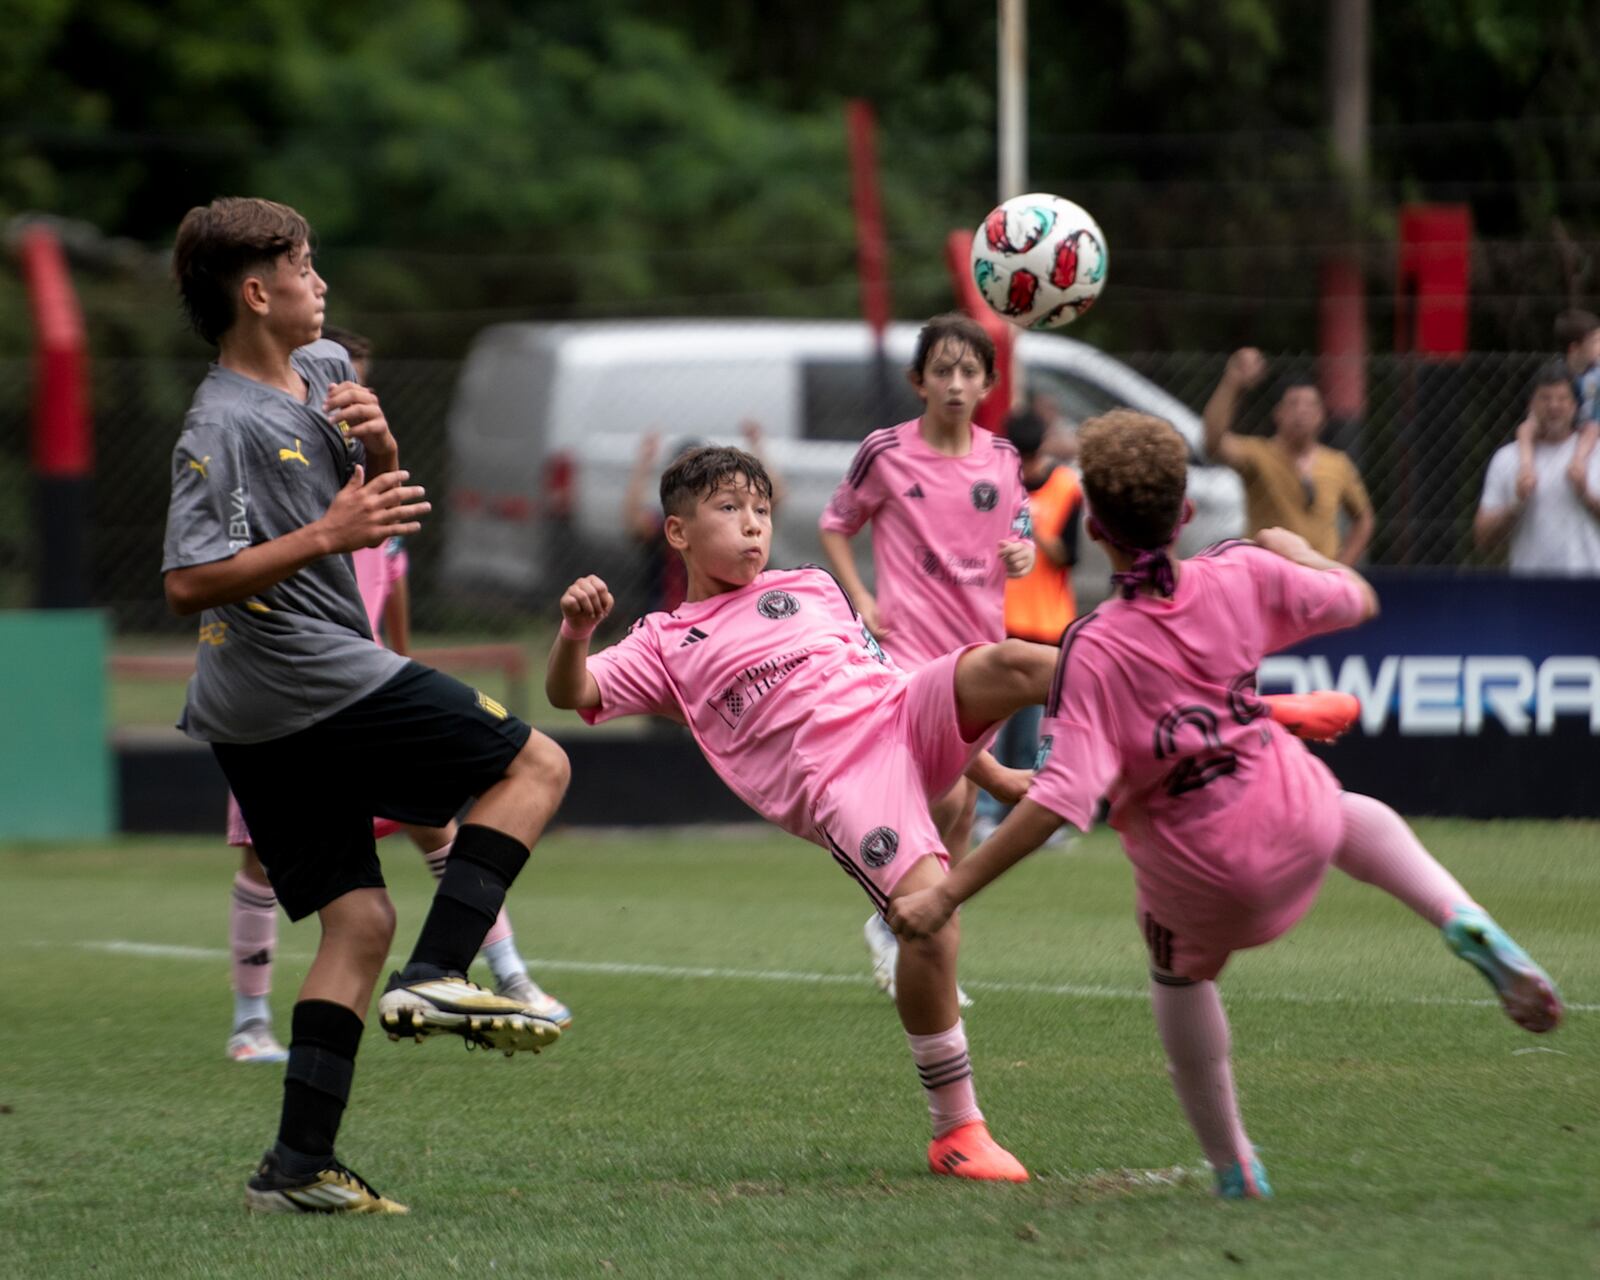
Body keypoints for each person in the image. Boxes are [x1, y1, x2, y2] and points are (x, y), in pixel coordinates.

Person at [887, 411, 1565, 1200]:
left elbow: (1060, 806)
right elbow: (1357, 599)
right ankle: (1456, 915)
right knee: (1349, 810)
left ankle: (1235, 1165)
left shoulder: (1092, 650)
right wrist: (1294, 548)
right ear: (1183, 513)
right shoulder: (1239, 570)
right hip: (1295, 817)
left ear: (1096, 528)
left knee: (1177, 981)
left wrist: (947, 894)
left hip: (1205, 879)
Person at [164, 197, 571, 1215]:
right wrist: (326, 534)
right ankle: (442, 970)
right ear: (257, 292)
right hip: (294, 672)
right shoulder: (217, 424)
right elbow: (185, 580)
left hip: (258, 707)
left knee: (357, 916)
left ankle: (296, 1164)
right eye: (303, 264)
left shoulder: (331, 372)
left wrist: (382, 454)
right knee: (535, 765)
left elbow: (376, 506)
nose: (321, 279)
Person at [548, 443, 1057, 1183]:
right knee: (929, 923)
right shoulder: (665, 642)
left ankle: (1153, 681)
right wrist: (573, 633)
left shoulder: (814, 586)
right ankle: (957, 1130)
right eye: (729, 509)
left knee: (1006, 662)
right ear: (679, 532)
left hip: (900, 711)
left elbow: (885, 674)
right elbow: (573, 694)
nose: (753, 526)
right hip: (844, 778)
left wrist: (995, 773)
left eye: (761, 510)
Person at [223, 328, 571, 1066]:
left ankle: (506, 975)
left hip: (370, 698)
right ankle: (250, 1023)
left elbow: (397, 633)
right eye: (338, 384)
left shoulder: (381, 515)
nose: (351, 400)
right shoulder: (276, 493)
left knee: (441, 831)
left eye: (362, 385)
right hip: (289, 706)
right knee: (278, 871)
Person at [817, 313, 1035, 1000]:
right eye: (942, 369)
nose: (955, 382)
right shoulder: (885, 452)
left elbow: (1022, 531)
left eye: (969, 371)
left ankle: (925, 937)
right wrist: (861, 598)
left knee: (960, 811)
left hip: (978, 645)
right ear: (919, 381)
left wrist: (1022, 553)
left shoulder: (1003, 459)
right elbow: (835, 525)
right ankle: (895, 926)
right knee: (954, 791)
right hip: (905, 651)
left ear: (988, 384)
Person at [974, 406, 1083, 839]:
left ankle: (1037, 816)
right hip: (999, 621)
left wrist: (1032, 527)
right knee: (989, 728)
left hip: (1048, 623)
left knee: (1037, 735)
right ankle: (984, 814)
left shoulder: (1066, 487)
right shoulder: (992, 485)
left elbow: (1068, 556)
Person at [1202, 348, 1374, 564]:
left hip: (1319, 578)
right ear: (1278, 414)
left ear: (1322, 415)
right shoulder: (1258, 454)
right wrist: (1232, 382)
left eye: (1311, 404)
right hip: (1268, 575)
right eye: (1293, 403)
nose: (1302, 411)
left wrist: (1341, 569)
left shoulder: (1337, 463)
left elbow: (1364, 519)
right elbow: (1213, 443)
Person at [1476, 362, 1600, 574]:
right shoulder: (1507, 459)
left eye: (1562, 398)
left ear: (1574, 406)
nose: (1553, 406)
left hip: (1590, 590)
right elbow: (1482, 539)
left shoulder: (1596, 454)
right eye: (1545, 398)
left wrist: (1586, 495)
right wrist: (1515, 506)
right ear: (1530, 405)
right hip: (1529, 593)